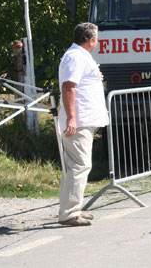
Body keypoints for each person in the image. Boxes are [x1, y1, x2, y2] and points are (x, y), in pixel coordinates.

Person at [58, 22, 108, 226]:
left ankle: (72, 208)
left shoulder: (80, 56)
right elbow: (68, 87)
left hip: (84, 120)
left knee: (76, 166)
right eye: (96, 38)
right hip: (78, 122)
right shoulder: (75, 57)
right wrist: (71, 117)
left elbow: (79, 82)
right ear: (91, 40)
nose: (97, 41)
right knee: (80, 165)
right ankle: (69, 213)